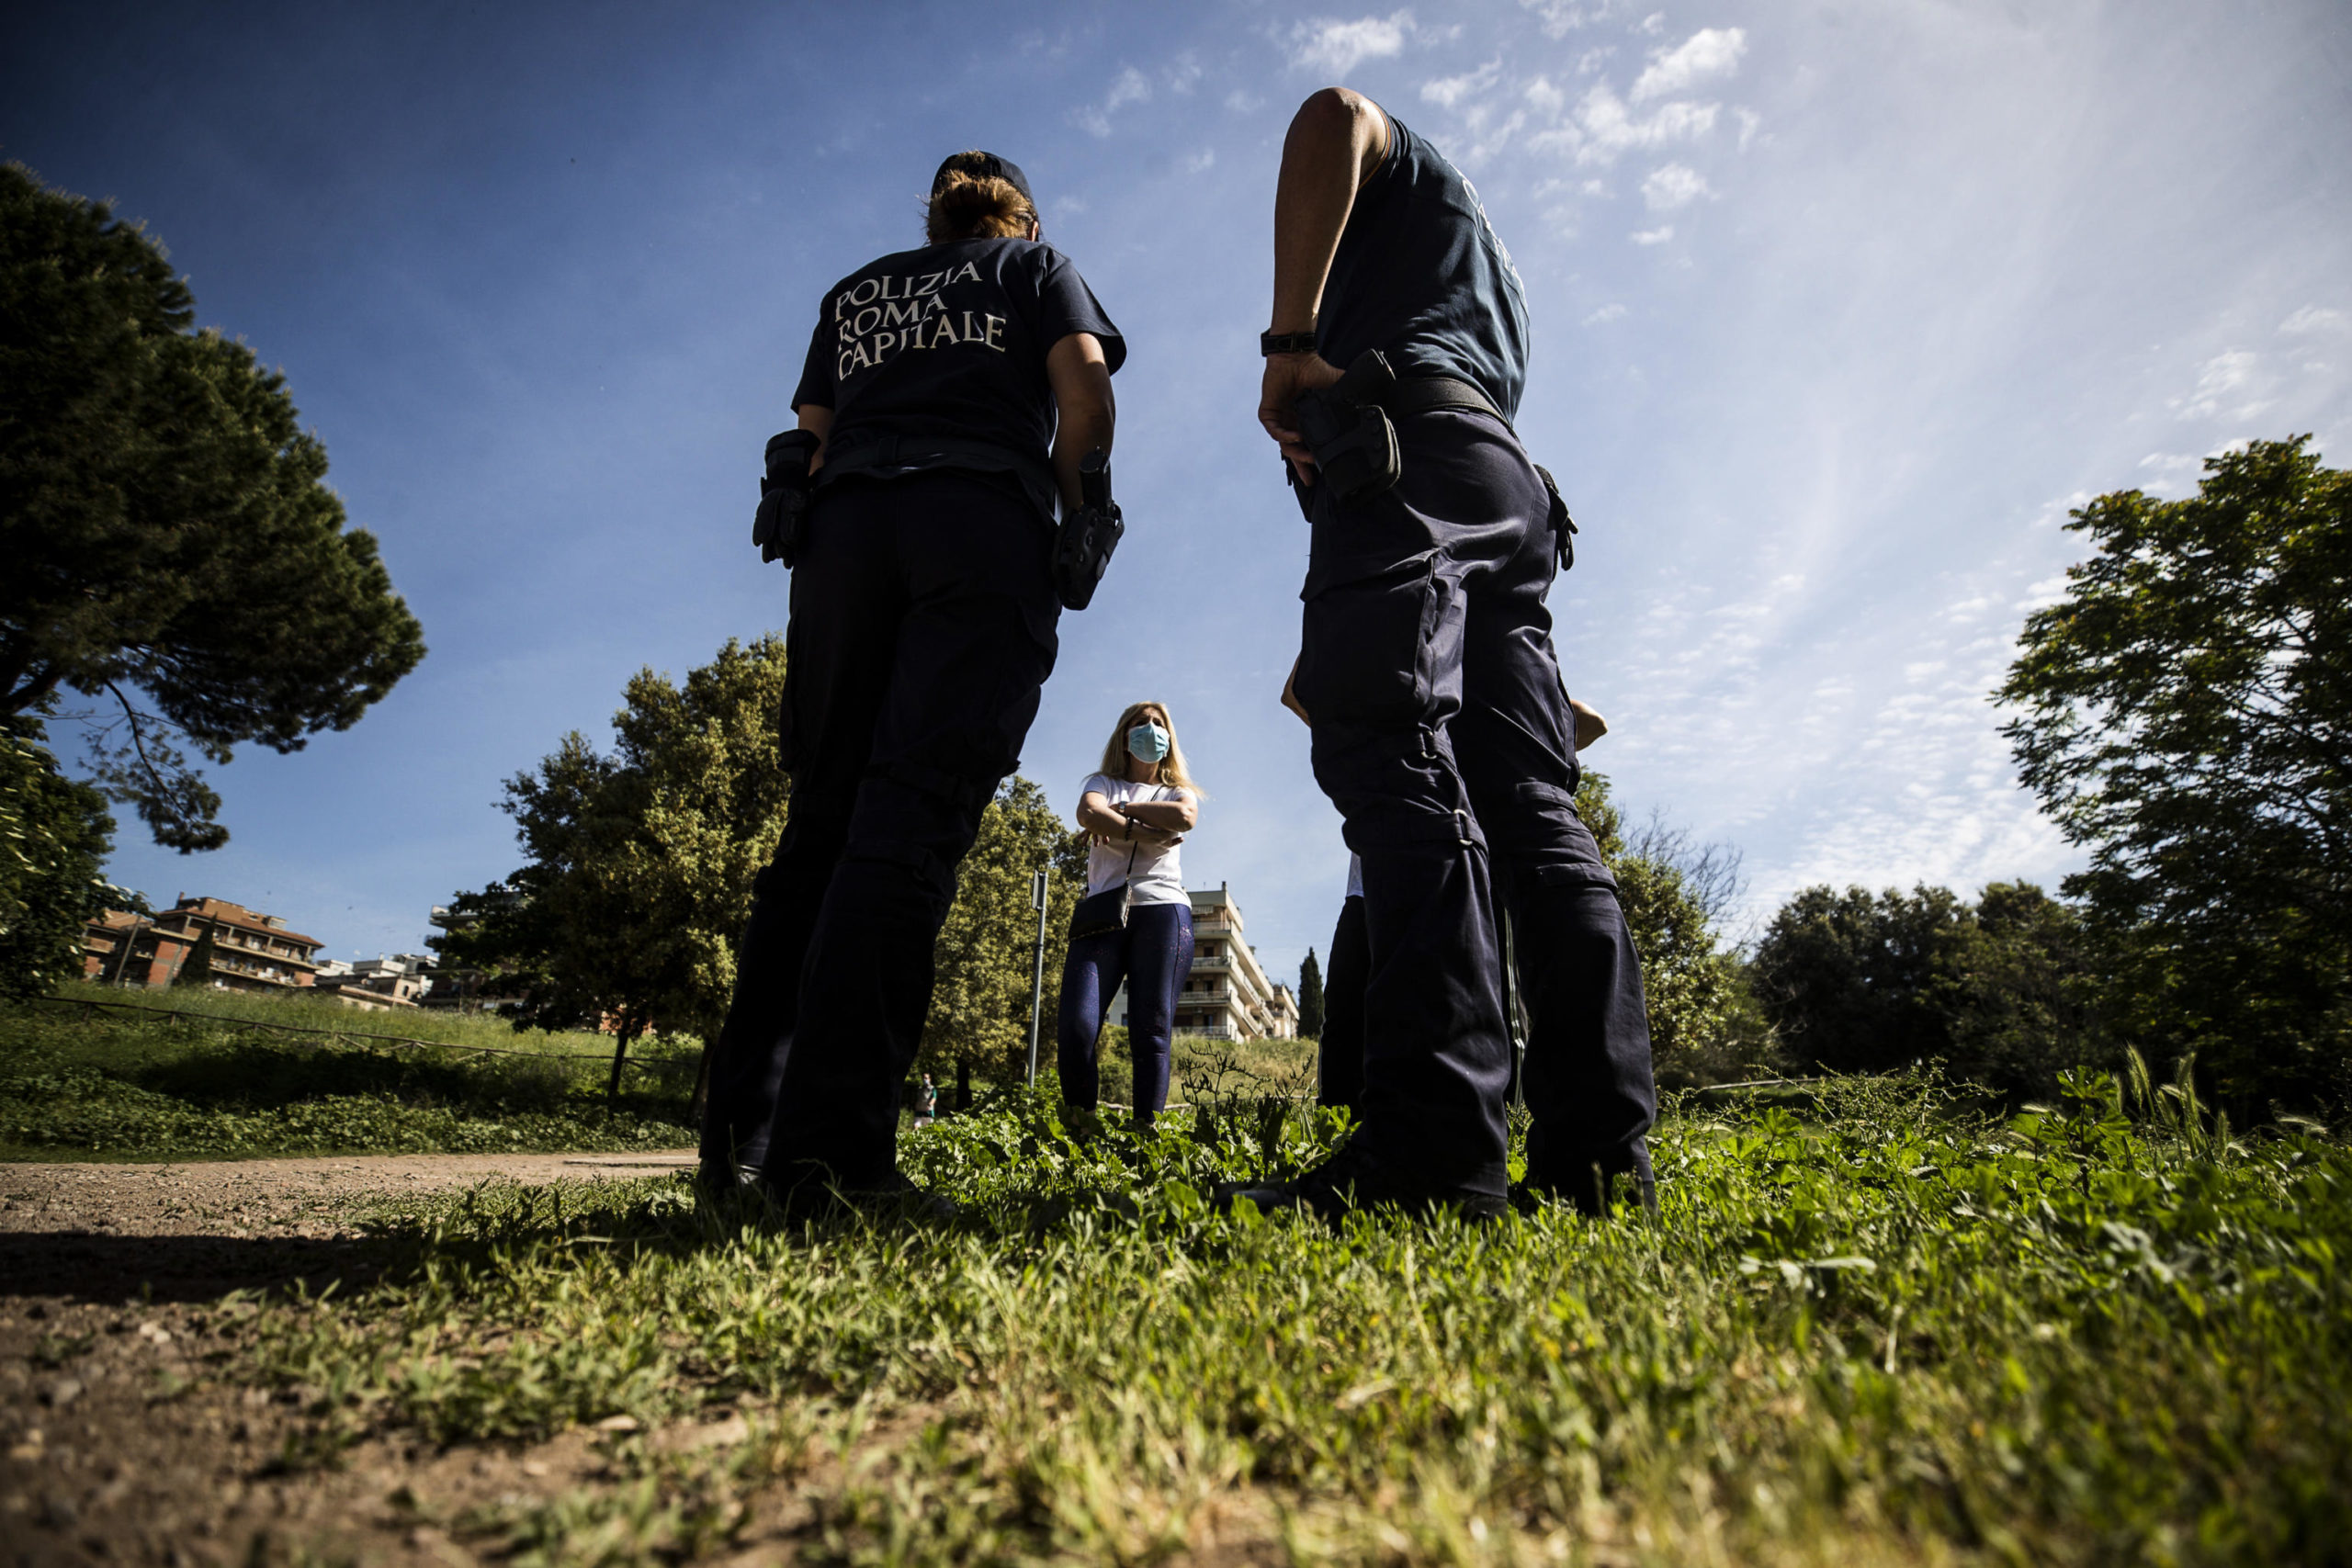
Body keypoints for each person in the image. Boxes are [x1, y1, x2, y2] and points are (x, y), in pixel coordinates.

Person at [1234, 88, 1658, 1220]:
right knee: (1531, 804)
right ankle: (1597, 1164)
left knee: (1383, 742)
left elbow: (1333, 113)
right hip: (1509, 484)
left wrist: (1290, 346)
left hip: (1407, 451)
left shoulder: (1407, 168)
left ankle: (1432, 1154)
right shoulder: (1494, 277)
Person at [697, 150, 1125, 1214]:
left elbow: (808, 437)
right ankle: (831, 1161)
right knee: (908, 818)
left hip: (846, 537)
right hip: (977, 524)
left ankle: (745, 1144)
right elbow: (1084, 392)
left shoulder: (857, 292)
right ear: (1023, 222)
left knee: (820, 825)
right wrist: (1086, 514)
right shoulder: (1035, 271)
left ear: (935, 222)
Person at [1057, 702, 1201, 1130]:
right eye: (1141, 722)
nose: (1150, 729)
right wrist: (1142, 831)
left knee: (1150, 1032)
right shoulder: (1101, 782)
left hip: (1163, 913)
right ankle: (1081, 1133)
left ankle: (1144, 1137)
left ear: (1169, 739)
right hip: (1102, 913)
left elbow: (1183, 817)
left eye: (1159, 723)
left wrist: (1120, 812)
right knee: (1076, 1027)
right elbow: (1087, 812)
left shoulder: (1177, 790)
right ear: (1124, 736)